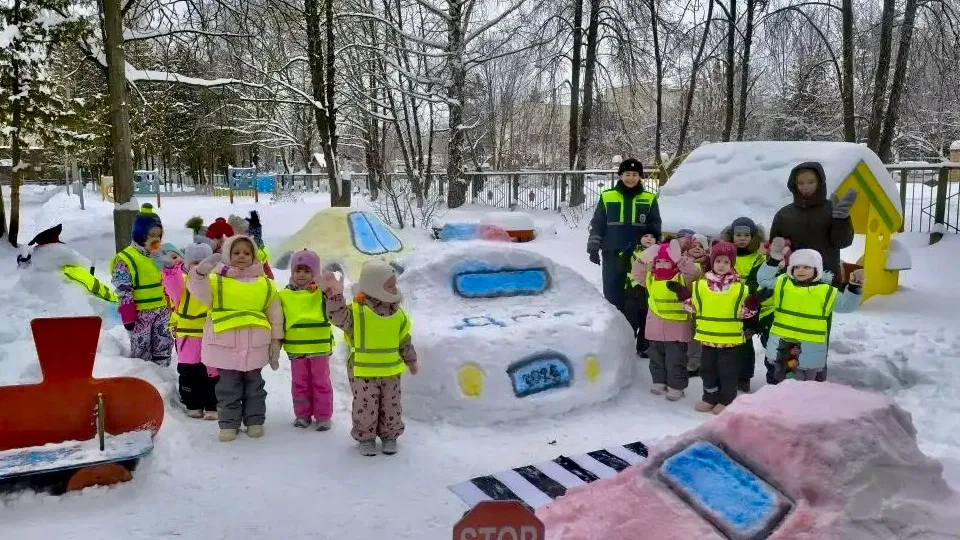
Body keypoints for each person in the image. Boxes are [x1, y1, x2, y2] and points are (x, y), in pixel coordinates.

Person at [187, 235, 284, 442]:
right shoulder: (216, 280)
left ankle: (255, 421)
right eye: (236, 252)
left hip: (255, 347)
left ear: (254, 256)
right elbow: (196, 290)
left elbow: (275, 314)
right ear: (227, 255)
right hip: (225, 348)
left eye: (247, 253)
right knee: (227, 389)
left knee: (255, 387)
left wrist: (276, 341)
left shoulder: (265, 284)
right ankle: (229, 424)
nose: (241, 256)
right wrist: (199, 273)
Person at [322, 259, 419, 456]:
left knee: (391, 406)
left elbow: (404, 340)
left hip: (391, 372)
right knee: (365, 407)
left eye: (394, 284)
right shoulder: (357, 312)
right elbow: (338, 317)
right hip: (363, 372)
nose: (395, 289)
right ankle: (366, 437)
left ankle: (390, 436)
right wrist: (335, 297)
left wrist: (411, 359)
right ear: (375, 287)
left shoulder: (398, 314)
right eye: (389, 285)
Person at [672, 241, 759, 414]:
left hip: (729, 341)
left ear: (732, 264)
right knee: (707, 370)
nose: (721, 265)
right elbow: (693, 308)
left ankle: (726, 399)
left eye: (726, 262)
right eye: (718, 261)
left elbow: (745, 314)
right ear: (712, 262)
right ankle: (710, 397)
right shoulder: (701, 285)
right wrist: (682, 295)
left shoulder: (740, 288)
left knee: (727, 371)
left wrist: (752, 303)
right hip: (708, 340)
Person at [758, 244, 863, 382]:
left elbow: (846, 305)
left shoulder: (825, 291)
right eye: (797, 267)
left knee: (804, 385)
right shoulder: (783, 283)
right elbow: (763, 280)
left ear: (816, 270)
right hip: (781, 346)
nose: (801, 270)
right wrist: (773, 261)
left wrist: (854, 288)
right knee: (778, 381)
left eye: (806, 267)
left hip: (809, 349)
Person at [587, 158, 661, 313]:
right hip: (612, 253)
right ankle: (615, 324)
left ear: (640, 176)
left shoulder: (649, 198)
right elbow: (598, 223)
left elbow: (655, 226)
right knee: (612, 293)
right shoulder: (607, 196)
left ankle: (635, 326)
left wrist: (654, 249)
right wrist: (593, 246)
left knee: (637, 294)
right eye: (627, 174)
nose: (631, 178)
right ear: (620, 175)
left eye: (635, 174)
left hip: (639, 256)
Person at [630, 239, 700, 401]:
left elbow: (694, 273)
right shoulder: (651, 278)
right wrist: (643, 259)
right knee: (656, 358)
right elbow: (636, 273)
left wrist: (680, 259)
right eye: (658, 261)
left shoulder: (681, 278)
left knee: (675, 359)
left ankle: (676, 386)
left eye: (666, 261)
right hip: (655, 328)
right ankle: (659, 381)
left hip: (676, 329)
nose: (661, 265)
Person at [769, 163, 856, 286]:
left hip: (826, 282)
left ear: (819, 182)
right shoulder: (784, 215)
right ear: (794, 185)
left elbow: (842, 242)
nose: (805, 187)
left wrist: (841, 220)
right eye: (801, 183)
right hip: (792, 283)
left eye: (811, 182)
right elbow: (774, 250)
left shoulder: (833, 210)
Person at [111, 203, 174, 366]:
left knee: (163, 347)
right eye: (152, 234)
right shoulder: (125, 258)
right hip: (140, 314)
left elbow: (169, 281)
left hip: (162, 310)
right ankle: (144, 376)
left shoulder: (160, 255)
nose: (156, 239)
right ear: (140, 233)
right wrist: (128, 314)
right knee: (142, 353)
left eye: (159, 235)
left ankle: (163, 375)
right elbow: (123, 290)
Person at [279, 249, 335, 431]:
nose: (301, 274)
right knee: (300, 383)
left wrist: (327, 288)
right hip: (296, 348)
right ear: (292, 272)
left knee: (321, 382)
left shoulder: (322, 293)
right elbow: (280, 320)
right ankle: (302, 414)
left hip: (319, 347)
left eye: (306, 271)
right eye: (298, 270)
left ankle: (323, 416)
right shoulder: (284, 294)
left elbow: (335, 306)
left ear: (315, 273)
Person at [162, 242, 219, 420]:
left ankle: (212, 405)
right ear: (187, 264)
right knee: (189, 371)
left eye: (203, 262)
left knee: (212, 371)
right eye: (194, 262)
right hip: (188, 336)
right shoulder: (182, 282)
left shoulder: (215, 281)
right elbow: (172, 287)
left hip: (211, 334)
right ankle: (193, 404)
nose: (199, 266)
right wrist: (170, 271)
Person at [721, 216, 766, 393]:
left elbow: (757, 281)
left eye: (746, 235)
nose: (742, 239)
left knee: (745, 343)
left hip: (748, 305)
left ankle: (744, 377)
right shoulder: (725, 255)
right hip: (726, 304)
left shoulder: (757, 258)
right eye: (738, 235)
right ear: (731, 236)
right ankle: (727, 375)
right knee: (727, 342)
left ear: (753, 237)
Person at [623, 232, 659, 358]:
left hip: (649, 292)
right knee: (631, 321)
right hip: (632, 291)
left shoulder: (658, 255)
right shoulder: (633, 251)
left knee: (646, 321)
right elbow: (621, 267)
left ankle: (643, 347)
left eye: (652, 237)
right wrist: (625, 255)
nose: (649, 239)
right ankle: (626, 347)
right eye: (646, 236)